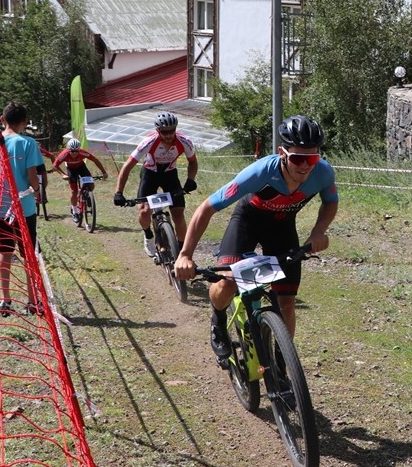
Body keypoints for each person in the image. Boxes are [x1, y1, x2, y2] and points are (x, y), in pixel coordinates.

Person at [174, 115, 337, 363]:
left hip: (282, 228)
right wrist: (185, 255)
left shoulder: (323, 173)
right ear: (282, 153)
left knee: (287, 303)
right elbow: (206, 208)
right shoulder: (260, 172)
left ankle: (284, 366)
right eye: (298, 158)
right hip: (247, 223)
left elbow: (330, 203)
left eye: (312, 158)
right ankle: (218, 319)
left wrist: (318, 231)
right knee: (227, 284)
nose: (305, 165)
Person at [0, 102, 44, 316]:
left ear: (2, 120)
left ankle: (5, 300)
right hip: (24, 209)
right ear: (24, 122)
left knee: (4, 252)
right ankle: (32, 301)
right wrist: (36, 189)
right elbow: (32, 177)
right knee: (28, 253)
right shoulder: (28, 143)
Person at [113, 111, 198, 257]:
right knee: (145, 211)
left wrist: (191, 179)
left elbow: (193, 162)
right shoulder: (149, 142)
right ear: (158, 131)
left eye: (172, 131)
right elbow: (127, 166)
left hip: (170, 175)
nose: (168, 135)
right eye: (165, 132)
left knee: (178, 214)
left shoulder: (185, 142)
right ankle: (148, 236)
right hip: (149, 174)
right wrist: (118, 192)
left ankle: (181, 250)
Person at [53, 138, 109, 225]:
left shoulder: (82, 152)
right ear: (68, 150)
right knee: (73, 191)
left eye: (76, 151)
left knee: (91, 185)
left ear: (79, 150)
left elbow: (95, 160)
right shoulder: (64, 154)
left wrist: (104, 172)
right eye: (72, 151)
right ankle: (75, 210)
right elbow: (55, 165)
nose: (74, 153)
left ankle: (87, 195)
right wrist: (63, 174)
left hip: (81, 167)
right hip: (71, 169)